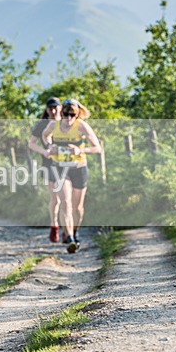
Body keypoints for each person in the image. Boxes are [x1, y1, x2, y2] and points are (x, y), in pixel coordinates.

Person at [42, 99, 102, 254]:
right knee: (65, 203)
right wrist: (50, 146)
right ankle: (69, 238)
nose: (68, 118)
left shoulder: (82, 126)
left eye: (72, 115)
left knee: (78, 208)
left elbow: (97, 148)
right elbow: (45, 136)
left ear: (77, 115)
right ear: (61, 113)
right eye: (65, 114)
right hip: (60, 168)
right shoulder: (53, 125)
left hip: (79, 169)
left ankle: (75, 232)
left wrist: (80, 150)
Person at [27, 97, 62, 242]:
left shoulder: (67, 121)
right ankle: (54, 225)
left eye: (55, 107)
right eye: (50, 108)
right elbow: (31, 143)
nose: (53, 111)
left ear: (60, 107)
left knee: (67, 198)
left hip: (67, 163)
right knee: (56, 198)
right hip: (49, 164)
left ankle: (68, 231)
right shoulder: (42, 124)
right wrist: (44, 152)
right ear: (46, 110)